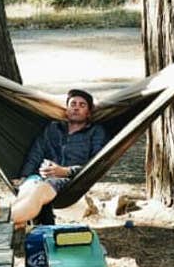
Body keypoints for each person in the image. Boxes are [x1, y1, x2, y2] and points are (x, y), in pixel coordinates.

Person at [11, 88, 107, 227]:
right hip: (39, 176)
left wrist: (65, 171)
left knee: (37, 191)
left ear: (88, 113)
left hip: (69, 181)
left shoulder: (95, 132)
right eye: (73, 104)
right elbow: (36, 153)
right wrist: (24, 176)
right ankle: (21, 226)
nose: (76, 108)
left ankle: (5, 223)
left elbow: (96, 164)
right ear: (67, 110)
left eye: (82, 105)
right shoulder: (53, 128)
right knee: (26, 190)